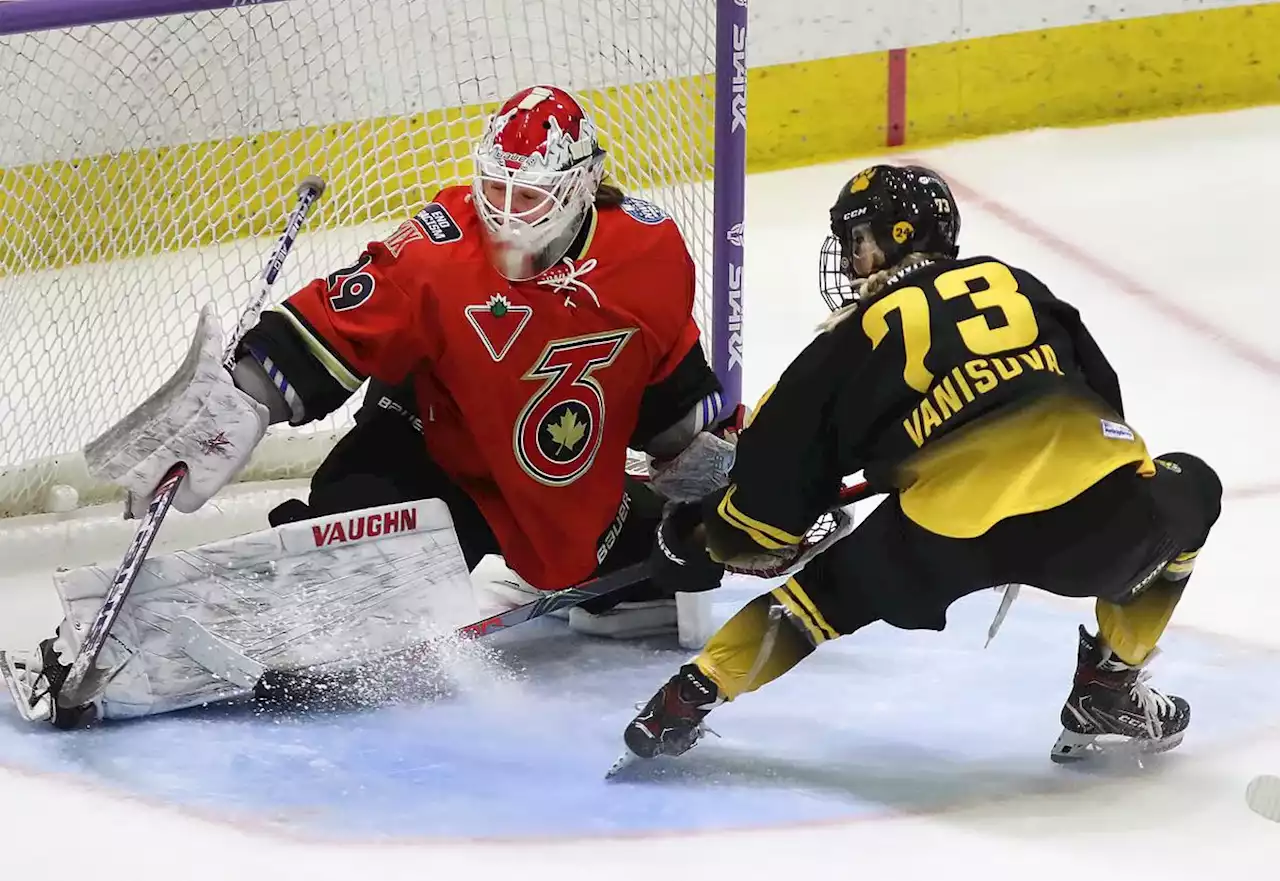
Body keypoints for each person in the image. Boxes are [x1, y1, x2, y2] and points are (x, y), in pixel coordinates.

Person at [5, 85, 735, 728]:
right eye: (494, 189)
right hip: (428, 443)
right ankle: (281, 607)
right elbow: (333, 319)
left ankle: (617, 571)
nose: (506, 215)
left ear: (581, 188)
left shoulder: (651, 250)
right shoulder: (441, 250)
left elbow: (665, 376)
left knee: (665, 555)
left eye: (530, 197)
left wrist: (711, 474)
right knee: (351, 527)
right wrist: (238, 401)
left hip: (551, 491)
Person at [619, 164, 1222, 767]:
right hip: (1091, 518)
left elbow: (763, 517)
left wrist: (699, 537)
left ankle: (692, 692)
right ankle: (1110, 686)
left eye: (856, 240)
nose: (851, 257)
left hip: (943, 532)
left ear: (889, 239)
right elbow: (1103, 401)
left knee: (823, 598)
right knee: (1193, 483)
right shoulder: (1016, 284)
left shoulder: (842, 343)